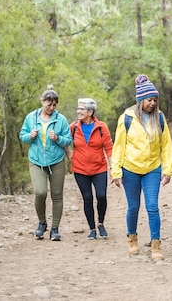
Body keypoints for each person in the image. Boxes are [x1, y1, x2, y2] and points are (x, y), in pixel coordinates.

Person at [110, 74, 172, 261]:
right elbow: (119, 146)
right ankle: (132, 239)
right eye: (149, 100)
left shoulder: (160, 118)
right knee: (133, 207)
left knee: (153, 206)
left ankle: (156, 245)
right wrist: (116, 171)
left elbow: (167, 145)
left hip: (152, 169)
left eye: (155, 100)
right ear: (140, 100)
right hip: (130, 169)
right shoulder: (127, 118)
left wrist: (167, 170)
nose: (153, 103)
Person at [19, 85, 72, 241]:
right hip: (36, 161)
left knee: (57, 195)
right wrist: (30, 135)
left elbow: (68, 140)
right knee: (40, 192)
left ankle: (55, 228)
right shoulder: (31, 117)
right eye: (49, 104)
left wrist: (58, 138)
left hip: (56, 161)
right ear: (42, 102)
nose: (52, 107)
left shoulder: (61, 119)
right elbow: (22, 136)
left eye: (54, 105)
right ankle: (42, 223)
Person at [68, 98, 114, 240]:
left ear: (90, 111)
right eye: (78, 109)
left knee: (101, 196)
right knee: (87, 198)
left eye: (81, 109)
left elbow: (109, 147)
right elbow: (65, 141)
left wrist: (113, 168)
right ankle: (92, 229)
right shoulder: (74, 127)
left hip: (99, 168)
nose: (78, 111)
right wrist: (68, 152)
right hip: (80, 169)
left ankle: (100, 223)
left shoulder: (101, 127)